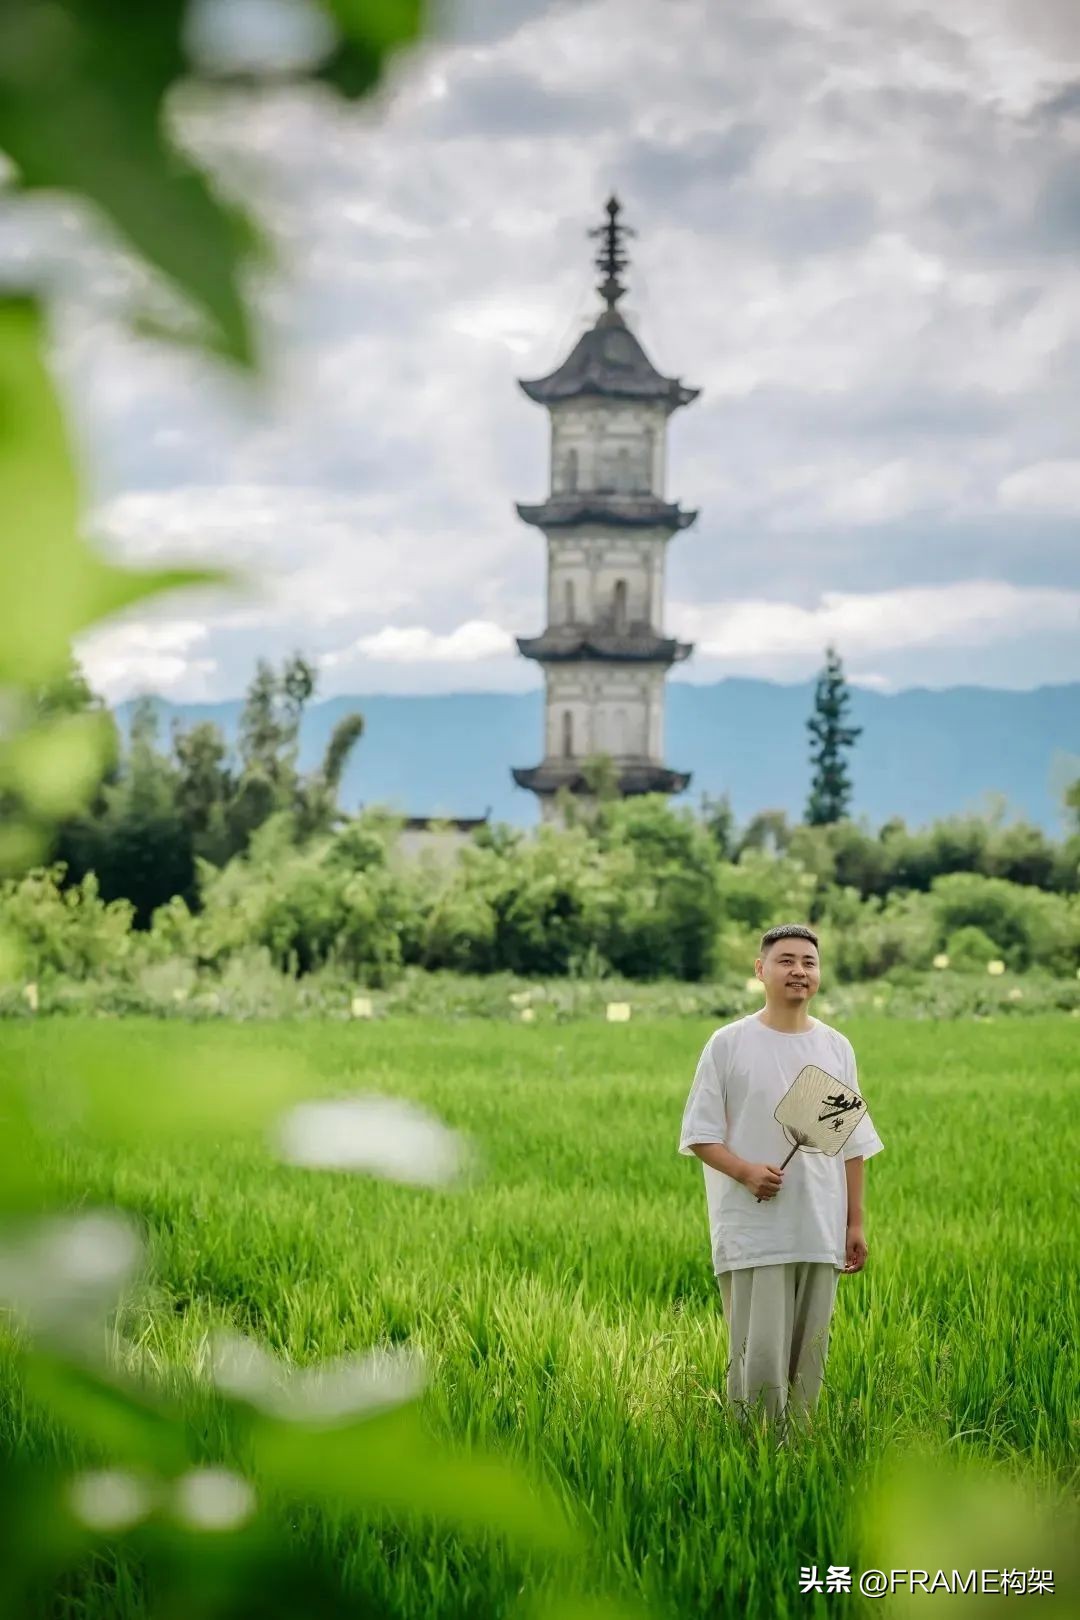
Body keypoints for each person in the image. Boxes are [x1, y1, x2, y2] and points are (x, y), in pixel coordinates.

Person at [678, 922, 884, 1442]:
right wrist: (746, 1171)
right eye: (786, 960)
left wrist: (853, 1221)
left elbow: (851, 1144)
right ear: (760, 970)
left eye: (809, 962)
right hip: (754, 1228)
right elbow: (699, 1135)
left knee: (809, 1348)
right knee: (760, 1351)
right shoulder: (729, 1044)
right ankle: (751, 1451)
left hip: (818, 1224)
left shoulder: (835, 1047)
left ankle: (798, 1451)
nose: (799, 970)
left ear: (818, 974)